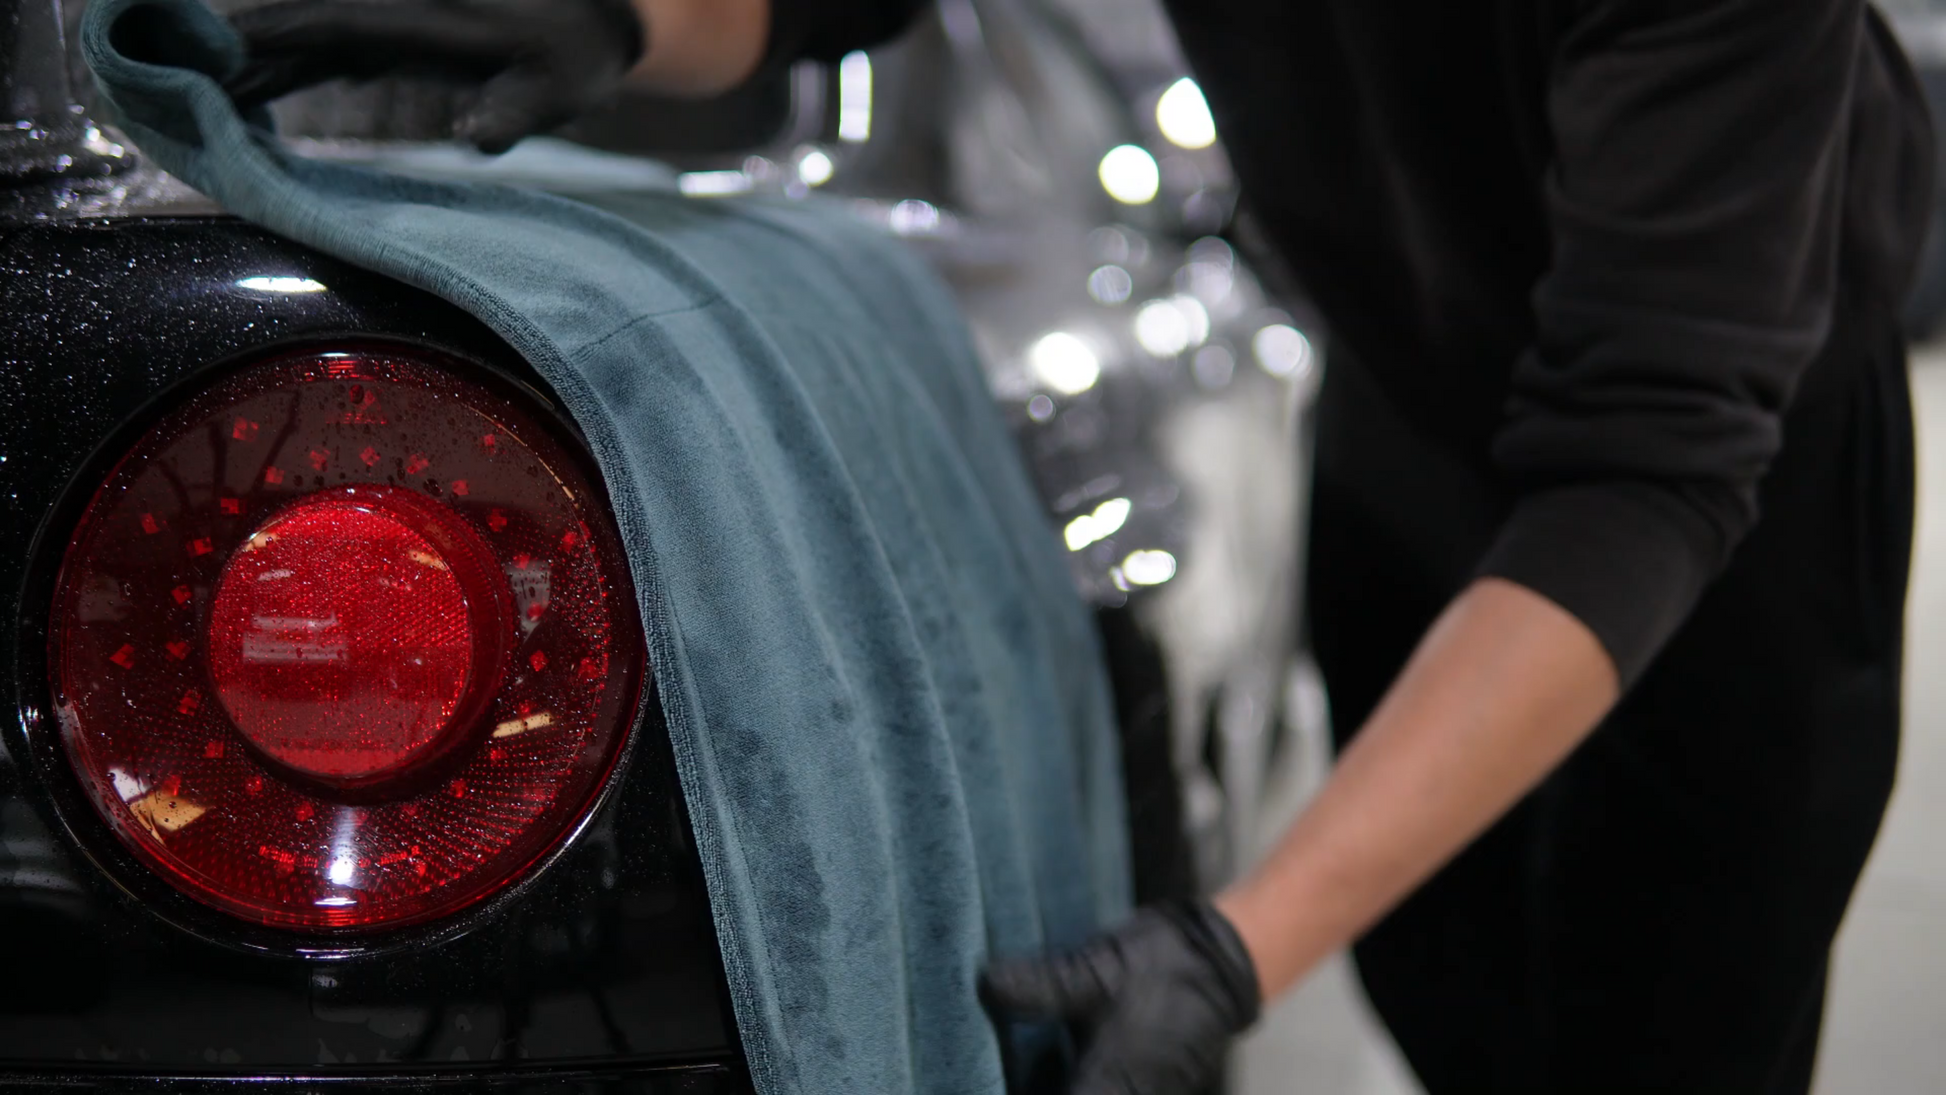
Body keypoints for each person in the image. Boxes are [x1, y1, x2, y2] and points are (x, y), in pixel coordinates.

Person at [222, 1, 1933, 1092]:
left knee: (1677, 1031)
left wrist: (1236, 936)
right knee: (1462, 996)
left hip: (1732, 509)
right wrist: (609, 19)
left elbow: (1646, 468)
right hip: (1413, 408)